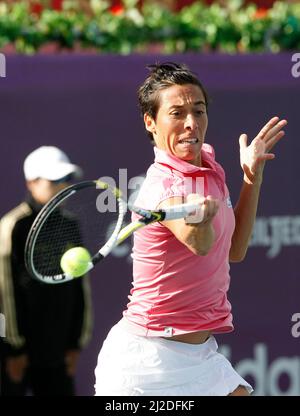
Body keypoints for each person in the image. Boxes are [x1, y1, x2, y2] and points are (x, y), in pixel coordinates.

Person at [94, 62, 287, 396]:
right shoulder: (161, 187)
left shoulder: (210, 166)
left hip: (201, 356)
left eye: (199, 111)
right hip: (144, 362)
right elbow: (199, 244)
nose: (191, 123)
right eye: (177, 113)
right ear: (150, 122)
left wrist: (251, 177)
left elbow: (235, 251)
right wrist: (198, 221)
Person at [0, 146, 93, 396]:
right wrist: (15, 348)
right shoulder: (13, 227)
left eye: (66, 179)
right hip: (19, 354)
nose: (63, 186)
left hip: (58, 352)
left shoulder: (69, 223)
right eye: (55, 180)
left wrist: (75, 344)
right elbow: (5, 290)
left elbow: (79, 286)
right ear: (31, 182)